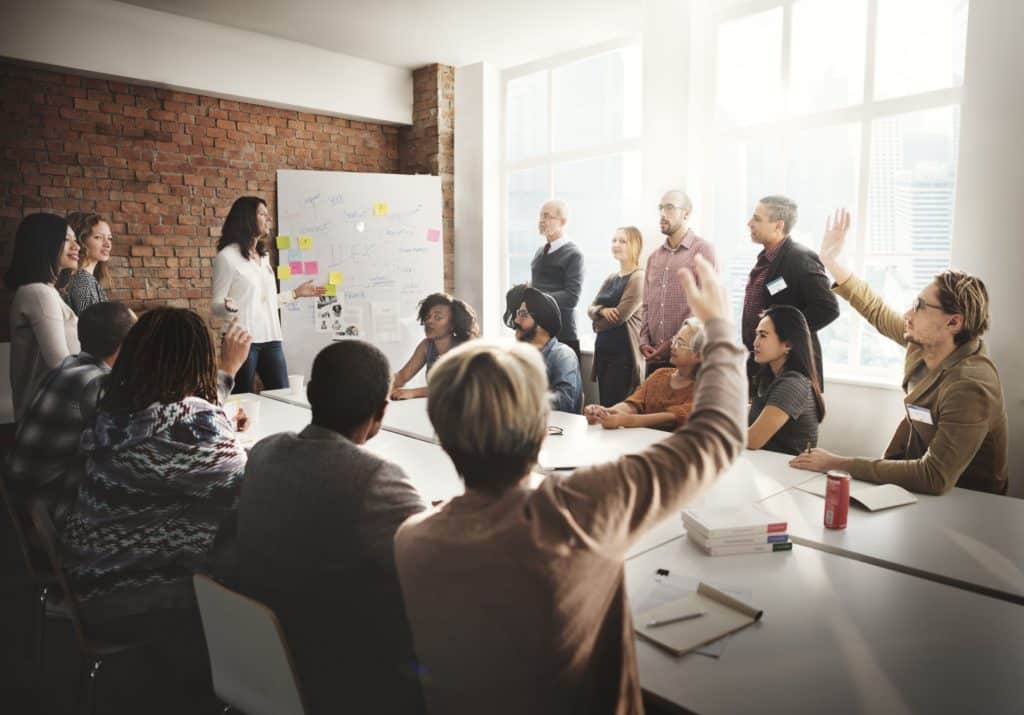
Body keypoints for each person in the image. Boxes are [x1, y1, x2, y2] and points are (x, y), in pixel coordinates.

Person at [395, 255, 746, 714]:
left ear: (440, 434)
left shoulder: (413, 540)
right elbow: (717, 437)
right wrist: (719, 327)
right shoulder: (580, 509)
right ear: (543, 428)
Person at [237, 340, 427, 714]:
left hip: (260, 655)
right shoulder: (376, 479)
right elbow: (437, 561)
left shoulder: (262, 452)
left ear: (310, 393)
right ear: (382, 410)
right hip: (342, 671)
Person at [790, 209, 1008, 495]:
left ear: (953, 322)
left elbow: (934, 476)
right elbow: (877, 310)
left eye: (919, 306)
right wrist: (831, 260)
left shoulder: (971, 385)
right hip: (921, 493)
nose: (908, 314)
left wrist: (838, 462)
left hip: (971, 504)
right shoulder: (923, 343)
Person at [63, 307, 252, 632]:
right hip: (126, 592)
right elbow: (253, 490)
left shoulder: (118, 411)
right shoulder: (191, 427)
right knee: (261, 557)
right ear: (197, 361)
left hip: (92, 572)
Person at [6, 302, 136, 526]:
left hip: (22, 503)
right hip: (51, 515)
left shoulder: (67, 367)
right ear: (127, 344)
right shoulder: (98, 383)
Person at [211, 196, 324, 393]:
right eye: (263, 214)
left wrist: (296, 293)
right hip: (242, 340)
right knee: (242, 398)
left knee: (283, 395)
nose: (269, 218)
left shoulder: (263, 257)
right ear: (246, 218)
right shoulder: (227, 257)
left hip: (272, 339)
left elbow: (266, 302)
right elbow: (215, 306)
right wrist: (225, 306)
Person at [742, 195, 838, 390]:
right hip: (760, 365)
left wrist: (784, 336)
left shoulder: (800, 258)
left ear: (778, 226)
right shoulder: (765, 260)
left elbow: (828, 308)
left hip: (790, 367)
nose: (749, 223)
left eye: (757, 219)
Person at [6, 213, 81, 421]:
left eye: (76, 240)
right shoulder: (39, 293)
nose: (77, 246)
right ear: (44, 242)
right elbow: (60, 364)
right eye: (67, 239)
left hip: (59, 411)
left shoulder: (48, 293)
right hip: (46, 421)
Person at [639, 190, 717, 377]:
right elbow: (646, 305)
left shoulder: (703, 250)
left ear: (687, 213)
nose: (663, 214)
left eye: (670, 207)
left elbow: (704, 306)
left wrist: (673, 342)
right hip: (653, 357)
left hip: (688, 357)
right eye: (661, 208)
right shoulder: (653, 258)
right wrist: (643, 341)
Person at [584, 317, 704, 431]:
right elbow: (634, 404)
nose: (673, 346)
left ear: (699, 355)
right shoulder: (660, 375)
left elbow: (669, 419)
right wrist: (604, 412)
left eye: (681, 343)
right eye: (675, 339)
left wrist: (621, 420)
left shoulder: (705, 392)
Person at [747, 305, 825, 454]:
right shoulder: (768, 378)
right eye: (757, 334)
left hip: (787, 474)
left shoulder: (793, 384)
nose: (755, 342)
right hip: (763, 468)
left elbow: (753, 440)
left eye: (763, 335)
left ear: (788, 344)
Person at [587, 226, 645, 407]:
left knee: (617, 412)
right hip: (604, 354)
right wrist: (601, 312)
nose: (616, 245)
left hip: (624, 358)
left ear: (635, 245)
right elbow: (590, 308)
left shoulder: (638, 277)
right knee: (605, 408)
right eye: (614, 240)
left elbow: (620, 317)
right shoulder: (612, 277)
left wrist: (596, 323)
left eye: (622, 241)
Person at [505, 284, 582, 413]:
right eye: (518, 313)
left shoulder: (563, 355)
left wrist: (518, 399)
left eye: (523, 314)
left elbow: (566, 402)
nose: (516, 320)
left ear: (541, 323)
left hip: (558, 429)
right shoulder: (522, 355)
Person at [391, 292, 480, 400]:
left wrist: (413, 392)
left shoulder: (465, 347)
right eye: (427, 316)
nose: (429, 321)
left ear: (453, 324)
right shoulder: (426, 346)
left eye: (438, 317)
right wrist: (378, 385)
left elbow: (456, 387)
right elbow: (402, 377)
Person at [531, 199, 584, 361]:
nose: (542, 220)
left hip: (562, 334)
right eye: (541, 215)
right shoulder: (540, 252)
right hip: (537, 332)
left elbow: (571, 297)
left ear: (563, 222)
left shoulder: (574, 254)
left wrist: (536, 298)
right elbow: (538, 286)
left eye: (547, 216)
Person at [64, 212, 112, 315]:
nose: (107, 244)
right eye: (98, 237)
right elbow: (93, 327)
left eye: (109, 238)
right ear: (81, 240)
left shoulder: (87, 278)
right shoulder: (83, 281)